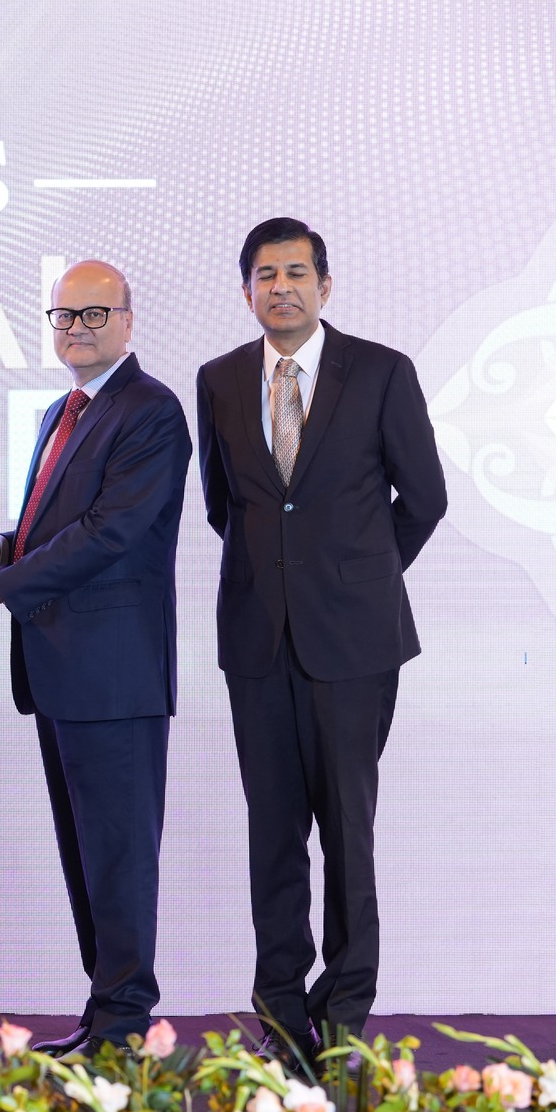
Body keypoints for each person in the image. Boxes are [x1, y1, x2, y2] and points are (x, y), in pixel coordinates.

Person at [0, 260, 190, 1056]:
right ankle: (105, 1015)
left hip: (116, 675)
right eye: (64, 316)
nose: (76, 328)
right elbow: (64, 528)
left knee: (119, 856)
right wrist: (0, 545)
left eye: (94, 314)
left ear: (128, 321)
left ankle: (126, 1024)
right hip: (64, 670)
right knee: (87, 855)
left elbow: (111, 533)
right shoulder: (60, 411)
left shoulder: (151, 410)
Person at [196, 218, 447, 1068]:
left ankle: (342, 1017)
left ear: (325, 286)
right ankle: (278, 1015)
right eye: (265, 275)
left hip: (354, 644)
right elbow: (225, 506)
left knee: (347, 834)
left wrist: (354, 577)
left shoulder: (380, 371)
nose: (282, 287)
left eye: (297, 272)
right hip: (256, 642)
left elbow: (425, 498)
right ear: (246, 291)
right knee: (272, 837)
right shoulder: (219, 379)